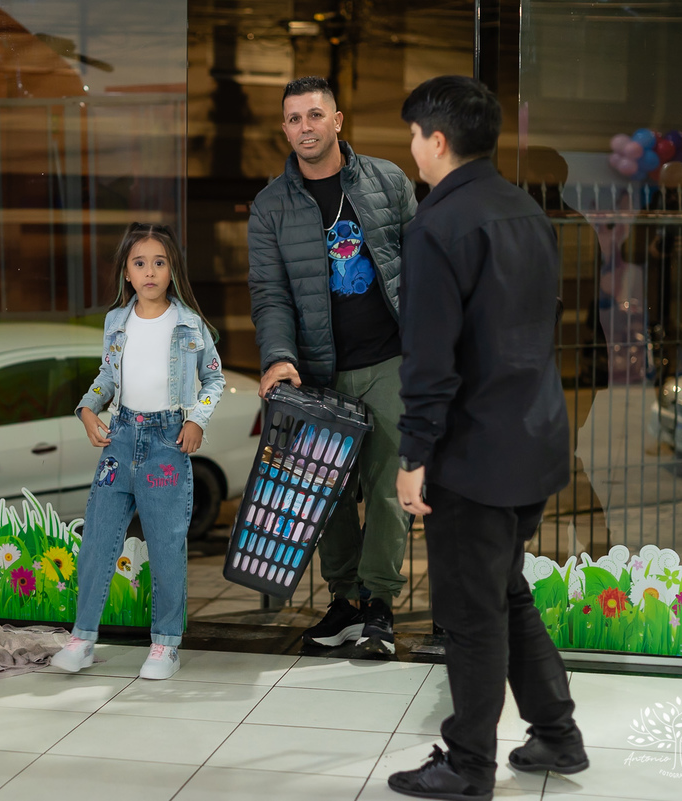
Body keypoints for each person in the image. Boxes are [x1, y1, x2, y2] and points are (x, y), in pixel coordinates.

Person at [389, 76, 587, 801]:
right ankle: (558, 734)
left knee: (471, 614)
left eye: (413, 135)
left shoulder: (439, 226)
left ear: (437, 140)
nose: (410, 148)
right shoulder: (525, 211)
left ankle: (468, 763)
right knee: (504, 594)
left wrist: (414, 455)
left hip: (472, 455)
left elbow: (430, 361)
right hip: (531, 443)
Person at [247, 75, 417, 654]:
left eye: (314, 115)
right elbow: (270, 296)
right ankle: (344, 601)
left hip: (390, 359)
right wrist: (278, 359)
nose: (304, 128)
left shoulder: (387, 181)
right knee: (324, 493)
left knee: (389, 488)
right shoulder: (271, 206)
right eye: (294, 119)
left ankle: (379, 605)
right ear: (286, 128)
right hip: (317, 373)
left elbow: (423, 267)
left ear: (337, 120)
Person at [50, 222, 225, 680]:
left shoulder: (190, 324)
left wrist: (195, 420)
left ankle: (165, 645)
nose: (150, 271)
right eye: (140, 263)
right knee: (97, 540)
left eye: (160, 263)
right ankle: (82, 637)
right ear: (127, 272)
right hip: (120, 438)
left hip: (168, 442)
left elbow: (214, 379)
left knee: (166, 546)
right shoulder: (116, 322)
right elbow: (107, 377)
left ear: (172, 270)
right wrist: (88, 409)